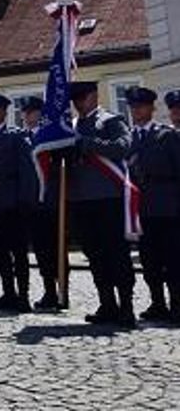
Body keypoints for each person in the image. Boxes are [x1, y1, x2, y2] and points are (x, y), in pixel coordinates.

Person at [68, 80, 136, 328]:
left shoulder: (110, 121)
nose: (78, 103)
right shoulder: (71, 126)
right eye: (75, 99)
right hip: (80, 199)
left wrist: (88, 144)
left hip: (108, 198)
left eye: (82, 97)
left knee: (116, 254)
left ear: (94, 96)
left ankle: (126, 306)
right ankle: (107, 303)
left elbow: (123, 147)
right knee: (95, 256)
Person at [126, 86, 180, 323]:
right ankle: (157, 303)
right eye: (133, 107)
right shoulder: (128, 138)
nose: (137, 111)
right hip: (141, 209)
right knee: (150, 261)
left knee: (173, 259)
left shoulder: (166, 135)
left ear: (152, 108)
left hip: (168, 207)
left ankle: (177, 305)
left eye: (141, 107)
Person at [0, 92, 36, 313]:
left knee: (19, 253)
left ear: (4, 112)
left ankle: (23, 295)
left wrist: (25, 200)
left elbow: (27, 171)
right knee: (0, 253)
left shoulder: (16, 137)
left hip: (13, 202)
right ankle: (8, 292)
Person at [20, 96, 64, 311]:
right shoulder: (22, 139)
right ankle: (49, 290)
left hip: (51, 202)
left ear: (40, 114)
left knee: (56, 249)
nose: (27, 116)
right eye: (24, 113)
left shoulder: (51, 138)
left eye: (31, 112)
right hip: (31, 204)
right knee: (41, 251)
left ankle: (62, 290)